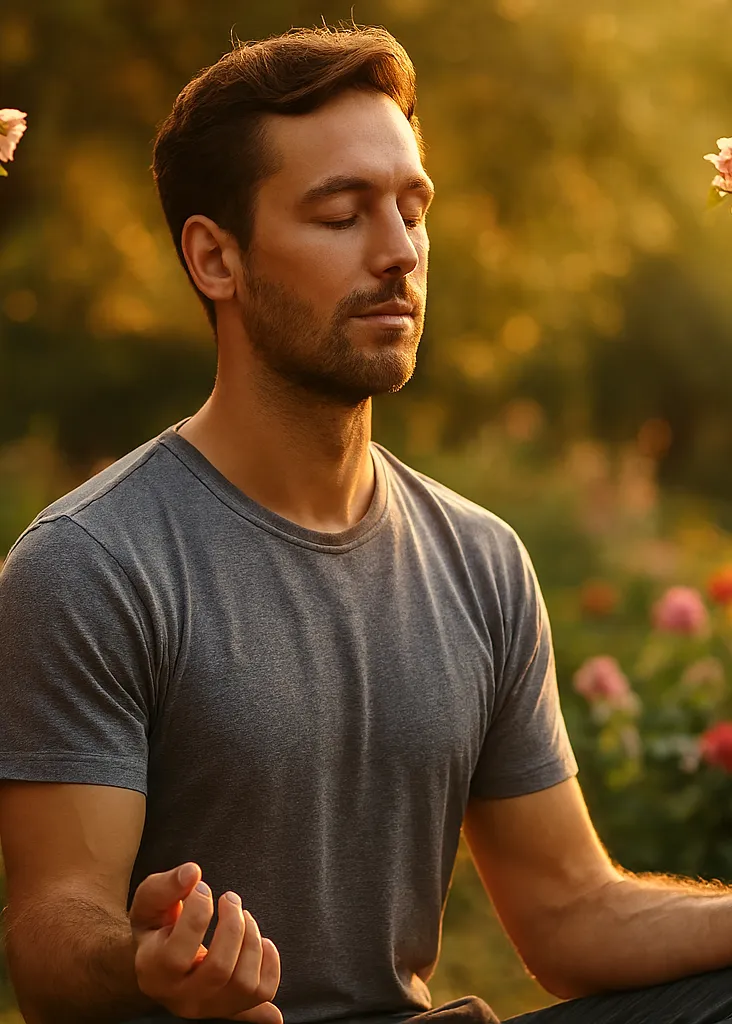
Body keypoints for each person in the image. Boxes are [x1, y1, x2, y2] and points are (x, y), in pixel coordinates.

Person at [1, 23, 732, 1024]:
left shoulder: (480, 559)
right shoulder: (93, 563)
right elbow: (50, 933)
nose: (399, 253)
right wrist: (145, 962)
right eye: (343, 215)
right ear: (215, 257)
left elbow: (571, 915)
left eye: (412, 210)